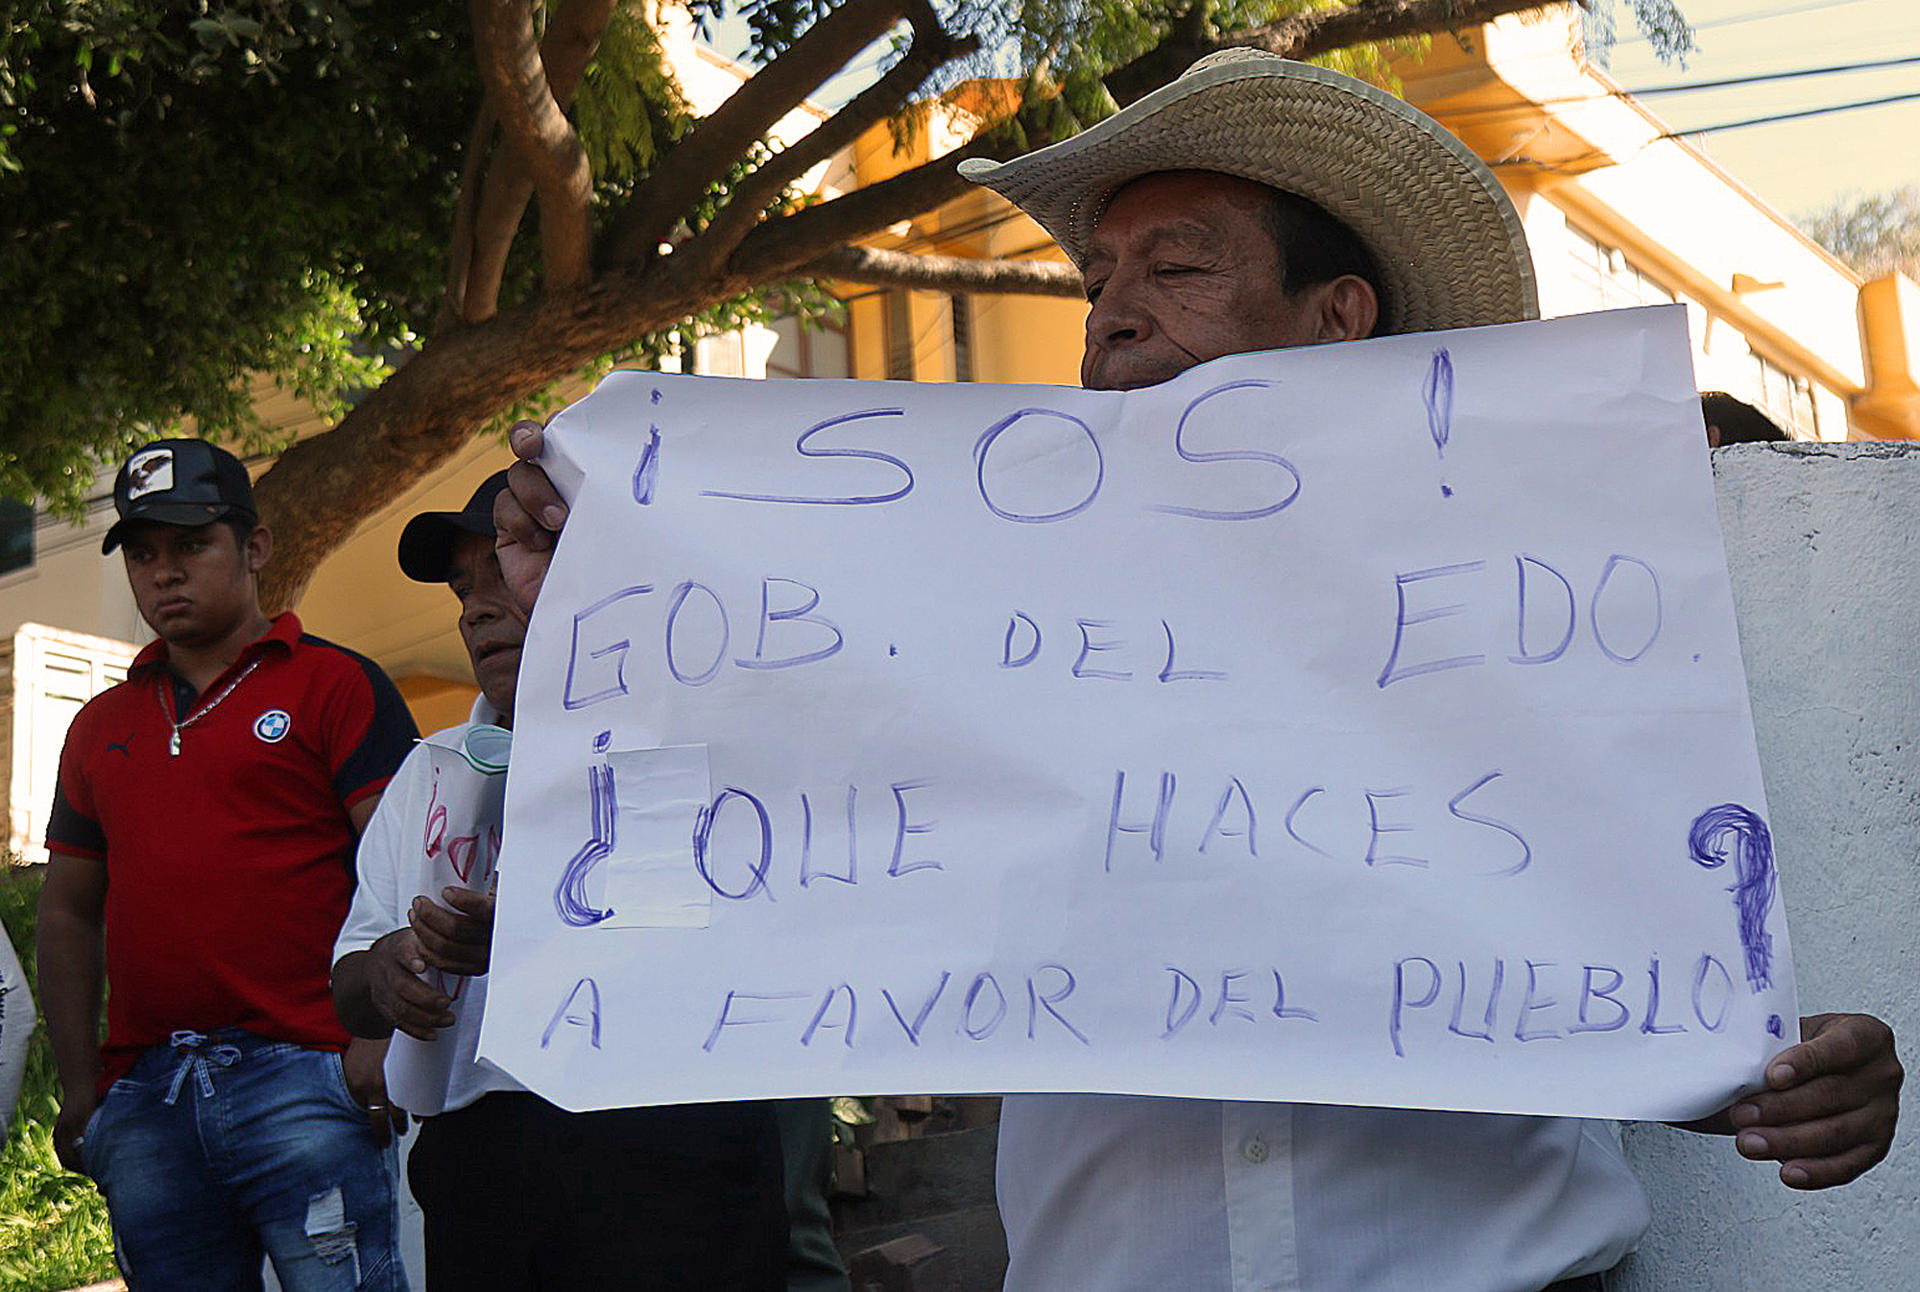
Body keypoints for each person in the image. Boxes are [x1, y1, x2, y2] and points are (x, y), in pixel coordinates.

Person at [494, 52, 1902, 1292]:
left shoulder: (1544, 607)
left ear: (1341, 317)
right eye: (1096, 281)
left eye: (1173, 269)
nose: (1107, 315)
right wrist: (617, 619)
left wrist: (1789, 1075)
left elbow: (1627, 971)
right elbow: (746, 850)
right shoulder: (966, 622)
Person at [331, 471, 798, 1291]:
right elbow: (349, 981)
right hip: (482, 1163)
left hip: (668, 1139)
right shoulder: (428, 770)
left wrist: (527, 934)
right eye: (460, 590)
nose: (475, 610)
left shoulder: (685, 733)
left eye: (504, 575)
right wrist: (392, 968)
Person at [38, 438, 418, 1290]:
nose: (163, 573)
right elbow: (66, 909)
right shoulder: (99, 725)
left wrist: (373, 1039)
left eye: (190, 545)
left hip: (304, 1076)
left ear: (254, 548)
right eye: (142, 554)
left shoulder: (335, 685)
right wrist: (81, 1090)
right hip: (145, 1097)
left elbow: (406, 871)